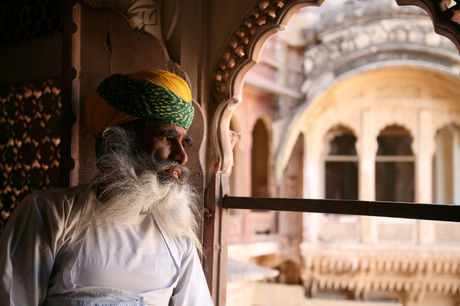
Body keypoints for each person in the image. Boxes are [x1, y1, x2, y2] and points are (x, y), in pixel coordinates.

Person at [0, 69, 213, 305]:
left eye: (185, 143)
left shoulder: (177, 236)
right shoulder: (50, 212)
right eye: (167, 138)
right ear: (115, 143)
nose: (182, 157)